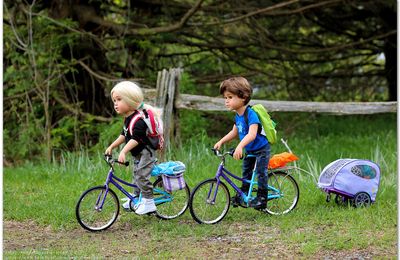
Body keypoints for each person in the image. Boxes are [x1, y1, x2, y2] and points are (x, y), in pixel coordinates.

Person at [214, 77, 270, 209]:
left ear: (243, 97)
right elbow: (234, 132)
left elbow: (252, 134)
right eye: (225, 98)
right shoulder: (238, 115)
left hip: (261, 149)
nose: (226, 101)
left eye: (230, 97)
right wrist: (221, 141)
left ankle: (262, 198)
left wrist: (240, 146)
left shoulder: (250, 114)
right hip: (250, 150)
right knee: (246, 172)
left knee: (261, 173)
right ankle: (243, 194)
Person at [105, 81, 160, 215]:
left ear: (130, 101)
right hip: (138, 154)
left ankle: (149, 202)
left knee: (141, 175)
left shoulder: (139, 120)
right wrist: (112, 146)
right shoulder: (128, 119)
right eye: (114, 100)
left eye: (119, 99)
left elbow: (137, 138)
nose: (115, 103)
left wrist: (123, 151)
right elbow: (124, 135)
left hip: (147, 153)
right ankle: (136, 198)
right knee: (136, 175)